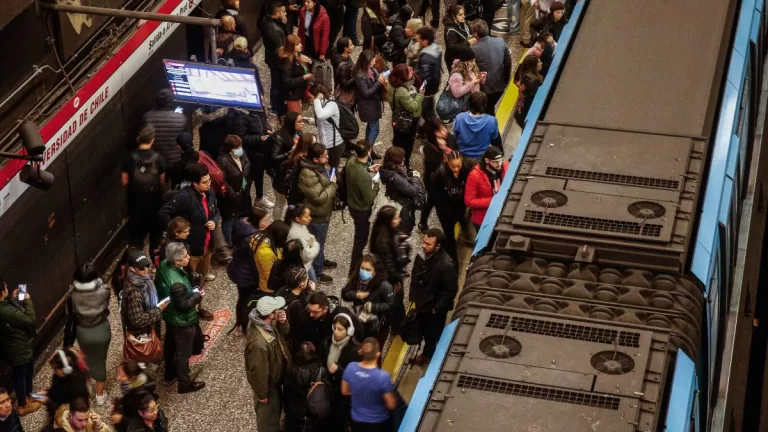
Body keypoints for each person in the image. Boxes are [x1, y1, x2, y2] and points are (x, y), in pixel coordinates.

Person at [158, 163, 220, 287]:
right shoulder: (185, 197)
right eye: (204, 182)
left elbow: (216, 211)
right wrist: (176, 231)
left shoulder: (210, 193)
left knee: (202, 274)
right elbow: (163, 213)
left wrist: (214, 220)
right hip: (191, 249)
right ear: (195, 183)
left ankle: (201, 284)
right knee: (191, 282)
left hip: (207, 245)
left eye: (209, 180)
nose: (209, 183)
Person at [155, 242, 206, 394]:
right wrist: (197, 296)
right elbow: (184, 305)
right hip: (183, 321)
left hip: (170, 317)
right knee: (183, 354)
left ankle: (169, 373)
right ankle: (184, 383)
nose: (188, 257)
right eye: (185, 256)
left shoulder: (163, 265)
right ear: (177, 261)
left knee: (170, 344)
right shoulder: (176, 282)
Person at [409, 229, 458, 363]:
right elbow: (414, 275)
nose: (424, 246)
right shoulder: (421, 255)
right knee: (423, 329)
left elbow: (451, 290)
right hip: (422, 303)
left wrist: (436, 309)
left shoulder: (446, 265)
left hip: (434, 309)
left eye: (428, 244)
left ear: (438, 246)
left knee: (432, 334)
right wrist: (412, 296)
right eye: (424, 242)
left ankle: (428, 355)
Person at [245, 296, 291, 432]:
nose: (280, 310)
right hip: (268, 386)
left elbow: (283, 336)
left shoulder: (266, 323)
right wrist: (262, 393)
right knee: (267, 420)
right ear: (271, 315)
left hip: (275, 380)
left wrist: (283, 323)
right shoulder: (259, 344)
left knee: (276, 411)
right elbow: (258, 370)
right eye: (277, 310)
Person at [69, 264, 111, 406]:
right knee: (100, 361)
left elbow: (70, 314)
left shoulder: (73, 296)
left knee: (85, 357)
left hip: (83, 332)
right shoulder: (104, 291)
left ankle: (88, 386)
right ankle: (100, 396)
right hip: (101, 330)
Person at [298, 143, 339, 283]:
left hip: (322, 213)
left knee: (320, 242)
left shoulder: (317, 168)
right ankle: (318, 271)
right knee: (316, 243)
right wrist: (333, 184)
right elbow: (318, 198)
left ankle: (320, 260)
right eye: (324, 156)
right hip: (316, 216)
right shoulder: (307, 173)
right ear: (315, 159)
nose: (328, 157)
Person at [121, 125, 166, 255]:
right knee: (155, 236)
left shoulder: (129, 158)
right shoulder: (159, 159)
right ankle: (155, 260)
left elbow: (124, 181)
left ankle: (137, 262)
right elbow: (162, 181)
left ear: (138, 138)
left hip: (135, 203)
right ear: (152, 140)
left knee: (136, 237)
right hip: (154, 203)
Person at [121, 249, 167, 369]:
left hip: (149, 326)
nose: (147, 270)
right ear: (132, 269)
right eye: (142, 268)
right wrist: (159, 310)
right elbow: (138, 320)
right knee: (144, 360)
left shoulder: (143, 278)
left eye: (147, 265)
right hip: (141, 333)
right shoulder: (134, 292)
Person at [0, 279, 39, 417]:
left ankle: (28, 396)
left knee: (26, 368)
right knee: (21, 374)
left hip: (13, 345)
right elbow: (30, 320)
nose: (7, 289)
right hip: (16, 347)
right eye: (6, 288)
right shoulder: (4, 310)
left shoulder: (4, 305)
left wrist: (11, 298)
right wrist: (27, 300)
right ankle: (23, 405)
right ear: (2, 292)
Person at [228, 207, 271, 331]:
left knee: (242, 299)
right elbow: (255, 264)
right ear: (256, 220)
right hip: (247, 276)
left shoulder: (240, 225)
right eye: (265, 219)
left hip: (238, 268)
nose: (267, 222)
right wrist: (260, 281)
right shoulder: (253, 239)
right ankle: (244, 325)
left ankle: (239, 323)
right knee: (247, 301)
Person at [341, 338, 398, 431]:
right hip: (378, 423)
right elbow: (391, 405)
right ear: (378, 354)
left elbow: (344, 391)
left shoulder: (350, 368)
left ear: (361, 352)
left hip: (357, 421)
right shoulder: (383, 377)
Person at [341, 255, 395, 344]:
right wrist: (355, 295)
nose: (363, 272)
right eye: (362, 268)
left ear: (375, 271)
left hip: (377, 326)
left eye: (368, 270)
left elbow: (390, 304)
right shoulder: (356, 279)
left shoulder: (384, 286)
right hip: (359, 321)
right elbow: (345, 294)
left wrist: (372, 307)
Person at [292, 291, 363, 359]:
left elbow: (358, 327)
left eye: (315, 312)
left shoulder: (338, 314)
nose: (311, 314)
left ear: (325, 309)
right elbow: (298, 334)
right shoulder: (304, 316)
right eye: (310, 310)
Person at [345, 140, 380, 273]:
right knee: (360, 239)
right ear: (369, 152)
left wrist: (368, 168)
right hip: (361, 210)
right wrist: (376, 182)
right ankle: (354, 267)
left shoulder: (350, 161)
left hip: (352, 204)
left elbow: (358, 169)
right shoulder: (364, 177)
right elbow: (369, 197)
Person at [418, 118, 458, 233]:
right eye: (440, 130)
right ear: (434, 133)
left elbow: (457, 153)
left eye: (443, 128)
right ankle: (423, 222)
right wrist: (444, 150)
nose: (444, 131)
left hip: (451, 179)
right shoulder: (429, 149)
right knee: (431, 201)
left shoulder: (450, 138)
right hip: (435, 182)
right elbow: (438, 166)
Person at [431, 151, 472, 261]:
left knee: (463, 220)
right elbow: (436, 196)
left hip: (460, 206)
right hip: (446, 211)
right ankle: (453, 260)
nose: (456, 169)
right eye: (453, 166)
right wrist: (446, 211)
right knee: (450, 237)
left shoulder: (466, 169)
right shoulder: (440, 174)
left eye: (458, 166)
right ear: (447, 162)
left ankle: (467, 234)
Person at [324, 314, 361, 432]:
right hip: (329, 391)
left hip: (342, 397)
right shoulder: (327, 343)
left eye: (340, 329)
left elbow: (355, 379)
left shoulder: (354, 351)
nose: (336, 332)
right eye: (335, 328)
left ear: (349, 331)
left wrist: (338, 371)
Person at [283, 342, 330, 432]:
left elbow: (287, 394)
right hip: (314, 414)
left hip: (295, 415)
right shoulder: (322, 372)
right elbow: (328, 393)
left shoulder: (291, 372)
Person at [379, 146, 425, 235]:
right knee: (404, 230)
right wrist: (416, 177)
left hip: (397, 202)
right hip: (403, 209)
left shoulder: (388, 170)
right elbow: (413, 191)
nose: (404, 159)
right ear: (395, 162)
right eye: (401, 158)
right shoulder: (395, 177)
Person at [471, 19, 512, 115]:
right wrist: (506, 80)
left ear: (475, 34)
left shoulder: (473, 49)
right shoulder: (500, 41)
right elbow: (508, 63)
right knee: (490, 107)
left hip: (484, 88)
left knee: (484, 109)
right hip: (500, 85)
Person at [217, 135, 252, 247]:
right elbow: (223, 180)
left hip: (243, 193)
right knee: (229, 221)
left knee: (239, 218)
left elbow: (247, 167)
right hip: (230, 197)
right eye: (237, 148)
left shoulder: (243, 154)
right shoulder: (222, 160)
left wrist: (245, 187)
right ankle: (228, 244)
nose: (240, 149)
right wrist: (233, 193)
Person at [387, 64, 424, 169]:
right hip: (407, 120)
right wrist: (420, 95)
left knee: (397, 138)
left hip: (396, 115)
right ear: (402, 77)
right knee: (407, 142)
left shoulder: (391, 83)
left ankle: (394, 156)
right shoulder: (402, 92)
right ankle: (405, 162)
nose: (411, 73)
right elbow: (413, 106)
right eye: (408, 72)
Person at [141, 89, 189, 168]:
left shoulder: (147, 117)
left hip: (154, 161)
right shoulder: (181, 118)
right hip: (175, 161)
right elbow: (186, 142)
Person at [465, 146, 509, 230]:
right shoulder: (474, 176)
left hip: (503, 215)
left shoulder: (505, 166)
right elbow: (469, 201)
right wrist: (493, 200)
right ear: (486, 161)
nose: (499, 164)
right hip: (483, 220)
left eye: (500, 160)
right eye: (495, 162)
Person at [45, 348, 90, 422]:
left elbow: (58, 396)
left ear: (65, 370)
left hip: (71, 410)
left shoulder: (75, 384)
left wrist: (46, 396)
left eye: (56, 369)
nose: (55, 371)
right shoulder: (65, 376)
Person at [111, 360, 158, 431]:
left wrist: (121, 419)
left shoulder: (141, 397)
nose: (118, 378)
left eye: (122, 376)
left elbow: (143, 421)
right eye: (119, 374)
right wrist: (119, 403)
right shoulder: (133, 385)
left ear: (133, 377)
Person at [274, 132, 311, 220]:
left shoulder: (295, 151)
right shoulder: (300, 158)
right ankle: (277, 223)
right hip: (283, 185)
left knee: (280, 204)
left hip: (282, 183)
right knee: (280, 204)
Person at [454, 92, 501, 160]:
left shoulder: (460, 118)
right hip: (482, 158)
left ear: (469, 104)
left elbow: (455, 135)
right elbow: (494, 137)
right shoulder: (491, 121)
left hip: (463, 157)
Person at [354, 50, 387, 146]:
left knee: (370, 127)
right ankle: (367, 152)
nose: (374, 62)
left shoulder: (371, 69)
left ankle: (368, 149)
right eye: (372, 61)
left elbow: (377, 78)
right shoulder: (360, 75)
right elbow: (366, 93)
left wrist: (382, 77)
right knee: (375, 130)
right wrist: (379, 82)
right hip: (368, 107)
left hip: (374, 105)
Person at [262, 2, 289, 116]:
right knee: (277, 84)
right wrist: (293, 53)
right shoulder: (275, 30)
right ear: (277, 13)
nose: (286, 13)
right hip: (277, 62)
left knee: (276, 83)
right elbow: (281, 52)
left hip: (271, 57)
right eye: (283, 11)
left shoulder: (266, 20)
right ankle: (276, 108)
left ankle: (275, 105)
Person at [312, 85, 346, 168]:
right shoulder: (321, 104)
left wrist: (316, 99)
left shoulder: (331, 105)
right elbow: (322, 122)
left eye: (312, 96)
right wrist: (307, 120)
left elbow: (320, 116)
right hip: (327, 144)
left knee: (333, 171)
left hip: (335, 145)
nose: (311, 99)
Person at [415, 26, 443, 126]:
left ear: (425, 41)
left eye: (419, 40)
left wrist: (420, 89)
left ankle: (432, 131)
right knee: (429, 110)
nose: (418, 42)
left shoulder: (426, 57)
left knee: (426, 112)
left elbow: (425, 77)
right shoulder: (436, 48)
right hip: (433, 86)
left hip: (426, 90)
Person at [278, 34, 313, 114]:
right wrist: (303, 78)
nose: (301, 45)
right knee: (296, 117)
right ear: (291, 46)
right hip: (292, 95)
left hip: (299, 92)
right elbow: (287, 81)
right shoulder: (287, 61)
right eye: (297, 44)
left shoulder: (297, 56)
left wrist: (309, 61)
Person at [286, 204, 321, 281]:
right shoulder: (296, 234)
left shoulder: (301, 225)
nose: (310, 218)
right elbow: (307, 255)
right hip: (304, 267)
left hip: (306, 265)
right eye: (306, 217)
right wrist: (316, 244)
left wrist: (311, 239)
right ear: (298, 219)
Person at [253, 220, 291, 293]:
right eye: (284, 238)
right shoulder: (267, 254)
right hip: (269, 288)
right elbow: (270, 277)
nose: (285, 240)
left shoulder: (266, 239)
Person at [514, 54, 544, 127]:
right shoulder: (533, 82)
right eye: (539, 62)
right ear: (534, 66)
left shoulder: (524, 75)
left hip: (519, 112)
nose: (541, 63)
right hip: (525, 115)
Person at [443, 4, 474, 69]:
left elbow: (470, 33)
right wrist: (467, 43)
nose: (463, 16)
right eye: (460, 15)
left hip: (464, 55)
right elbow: (452, 48)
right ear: (454, 17)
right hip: (454, 59)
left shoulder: (465, 23)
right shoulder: (450, 30)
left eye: (463, 14)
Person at [331, 37, 357, 107]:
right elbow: (344, 84)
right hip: (344, 98)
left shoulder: (346, 57)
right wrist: (356, 77)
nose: (353, 46)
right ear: (345, 49)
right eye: (351, 45)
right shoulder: (343, 65)